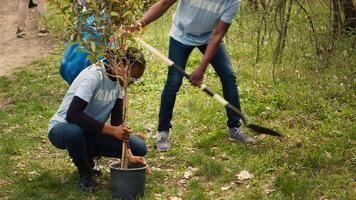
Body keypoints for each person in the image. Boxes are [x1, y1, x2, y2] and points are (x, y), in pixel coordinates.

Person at [126, 0, 255, 151]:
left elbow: (218, 34)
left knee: (228, 76)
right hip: (180, 35)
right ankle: (163, 132)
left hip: (209, 37)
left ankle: (234, 128)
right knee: (173, 82)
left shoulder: (232, 2)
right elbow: (164, 4)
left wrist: (201, 69)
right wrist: (138, 25)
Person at [48, 48, 147, 191]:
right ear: (121, 64)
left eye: (135, 79)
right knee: (73, 132)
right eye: (132, 77)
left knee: (139, 148)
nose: (131, 82)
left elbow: (116, 123)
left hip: (89, 131)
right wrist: (113, 131)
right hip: (63, 128)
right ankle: (85, 172)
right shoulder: (95, 75)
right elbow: (73, 115)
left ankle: (88, 152)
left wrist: (129, 156)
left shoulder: (119, 82)